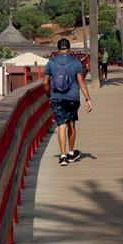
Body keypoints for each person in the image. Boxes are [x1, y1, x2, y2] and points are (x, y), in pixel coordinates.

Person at [43, 38, 92, 167]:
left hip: (57, 97)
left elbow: (45, 82)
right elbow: (81, 81)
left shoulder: (51, 62)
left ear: (58, 49)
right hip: (72, 98)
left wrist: (49, 95)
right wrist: (88, 99)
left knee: (61, 125)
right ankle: (71, 153)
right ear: (69, 49)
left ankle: (63, 156)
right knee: (71, 124)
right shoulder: (76, 63)